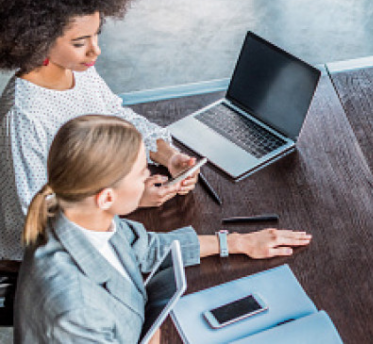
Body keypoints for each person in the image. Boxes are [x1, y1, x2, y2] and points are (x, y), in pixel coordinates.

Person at [14, 115, 312, 343]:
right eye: (142, 173)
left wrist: (236, 243)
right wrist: (155, 331)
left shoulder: (81, 216)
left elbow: (147, 247)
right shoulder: (74, 310)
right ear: (106, 196)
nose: (149, 178)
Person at [0, 0, 199, 260]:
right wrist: (126, 199)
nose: (96, 51)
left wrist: (168, 155)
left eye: (97, 35)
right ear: (38, 40)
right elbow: (35, 214)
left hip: (102, 211)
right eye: (80, 43)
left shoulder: (78, 72)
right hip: (53, 253)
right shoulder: (25, 116)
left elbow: (118, 118)